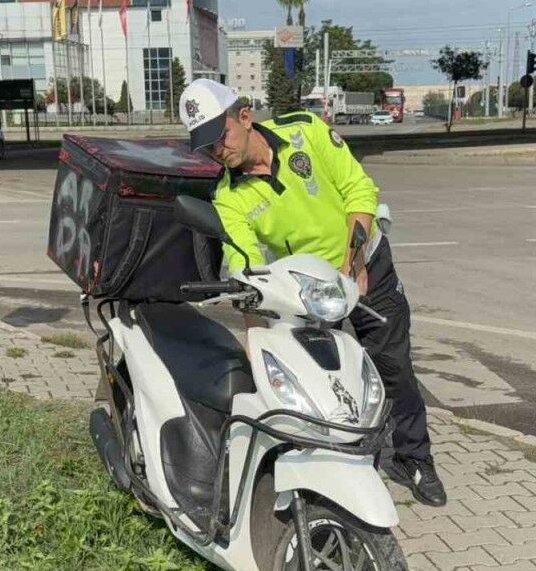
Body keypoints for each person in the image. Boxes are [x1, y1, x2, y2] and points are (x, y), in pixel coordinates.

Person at [176, 79, 446, 507]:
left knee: (392, 364)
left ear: (244, 116)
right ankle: (342, 465)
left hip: (364, 261)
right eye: (206, 146)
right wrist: (256, 335)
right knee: (324, 379)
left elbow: (359, 189)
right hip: (310, 288)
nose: (217, 150)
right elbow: (247, 269)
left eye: (220, 136)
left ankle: (413, 458)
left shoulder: (305, 130)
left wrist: (354, 264)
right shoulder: (228, 198)